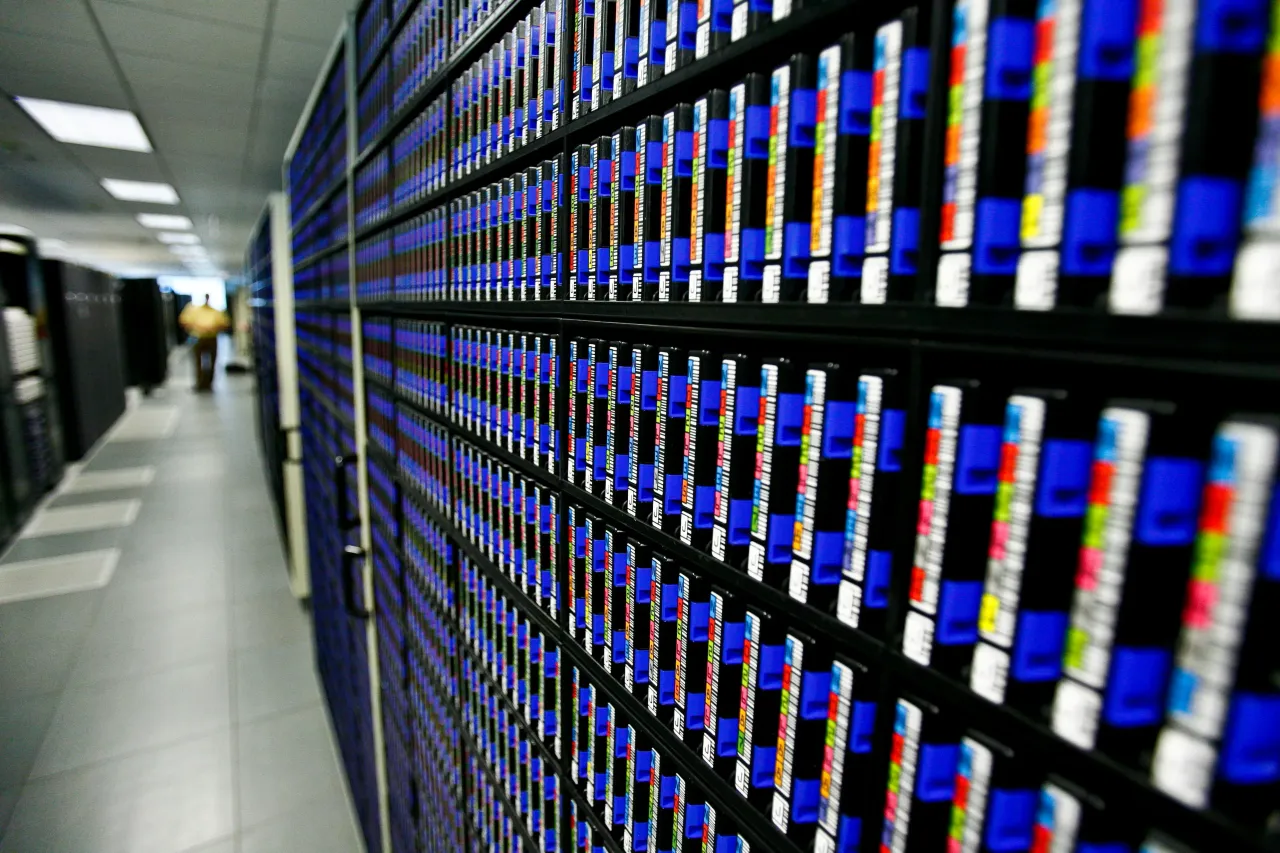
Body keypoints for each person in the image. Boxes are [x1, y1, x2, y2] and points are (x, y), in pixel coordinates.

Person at [178, 295, 230, 392]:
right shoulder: (192, 310)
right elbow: (183, 321)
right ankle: (200, 383)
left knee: (212, 361)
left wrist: (213, 328)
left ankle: (209, 383)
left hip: (212, 337)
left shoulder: (216, 311)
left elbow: (224, 324)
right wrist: (197, 327)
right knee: (198, 362)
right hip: (198, 338)